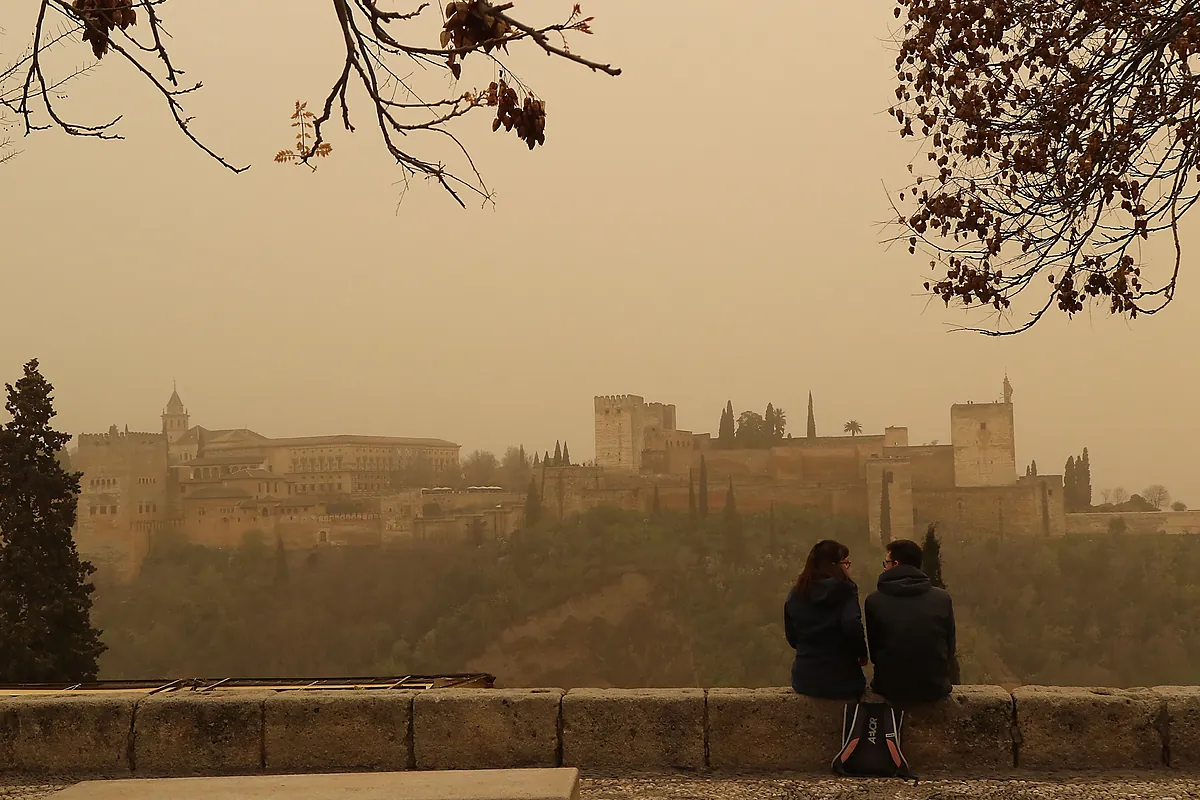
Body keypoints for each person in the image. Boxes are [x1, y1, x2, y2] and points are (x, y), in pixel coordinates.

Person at [864, 538, 956, 706]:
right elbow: (949, 648)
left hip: (889, 688)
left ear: (895, 564)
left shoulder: (874, 600)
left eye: (887, 562)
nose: (884, 566)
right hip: (935, 687)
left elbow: (875, 651)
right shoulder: (942, 598)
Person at [784, 539, 869, 699]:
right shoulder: (846, 590)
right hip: (844, 681)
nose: (848, 568)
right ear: (835, 565)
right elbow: (852, 624)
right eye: (846, 563)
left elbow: (792, 637)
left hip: (805, 680)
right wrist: (861, 654)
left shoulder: (797, 593)